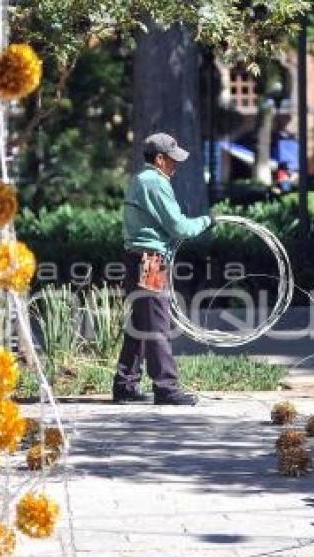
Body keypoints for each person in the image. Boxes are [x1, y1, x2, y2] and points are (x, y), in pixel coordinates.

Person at [112, 133, 214, 406]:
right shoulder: (155, 182)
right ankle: (166, 388)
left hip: (136, 257)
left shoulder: (140, 180)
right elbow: (179, 227)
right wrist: (207, 221)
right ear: (158, 159)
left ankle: (125, 384)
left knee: (140, 323)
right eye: (171, 160)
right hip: (151, 260)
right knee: (156, 324)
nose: (175, 166)